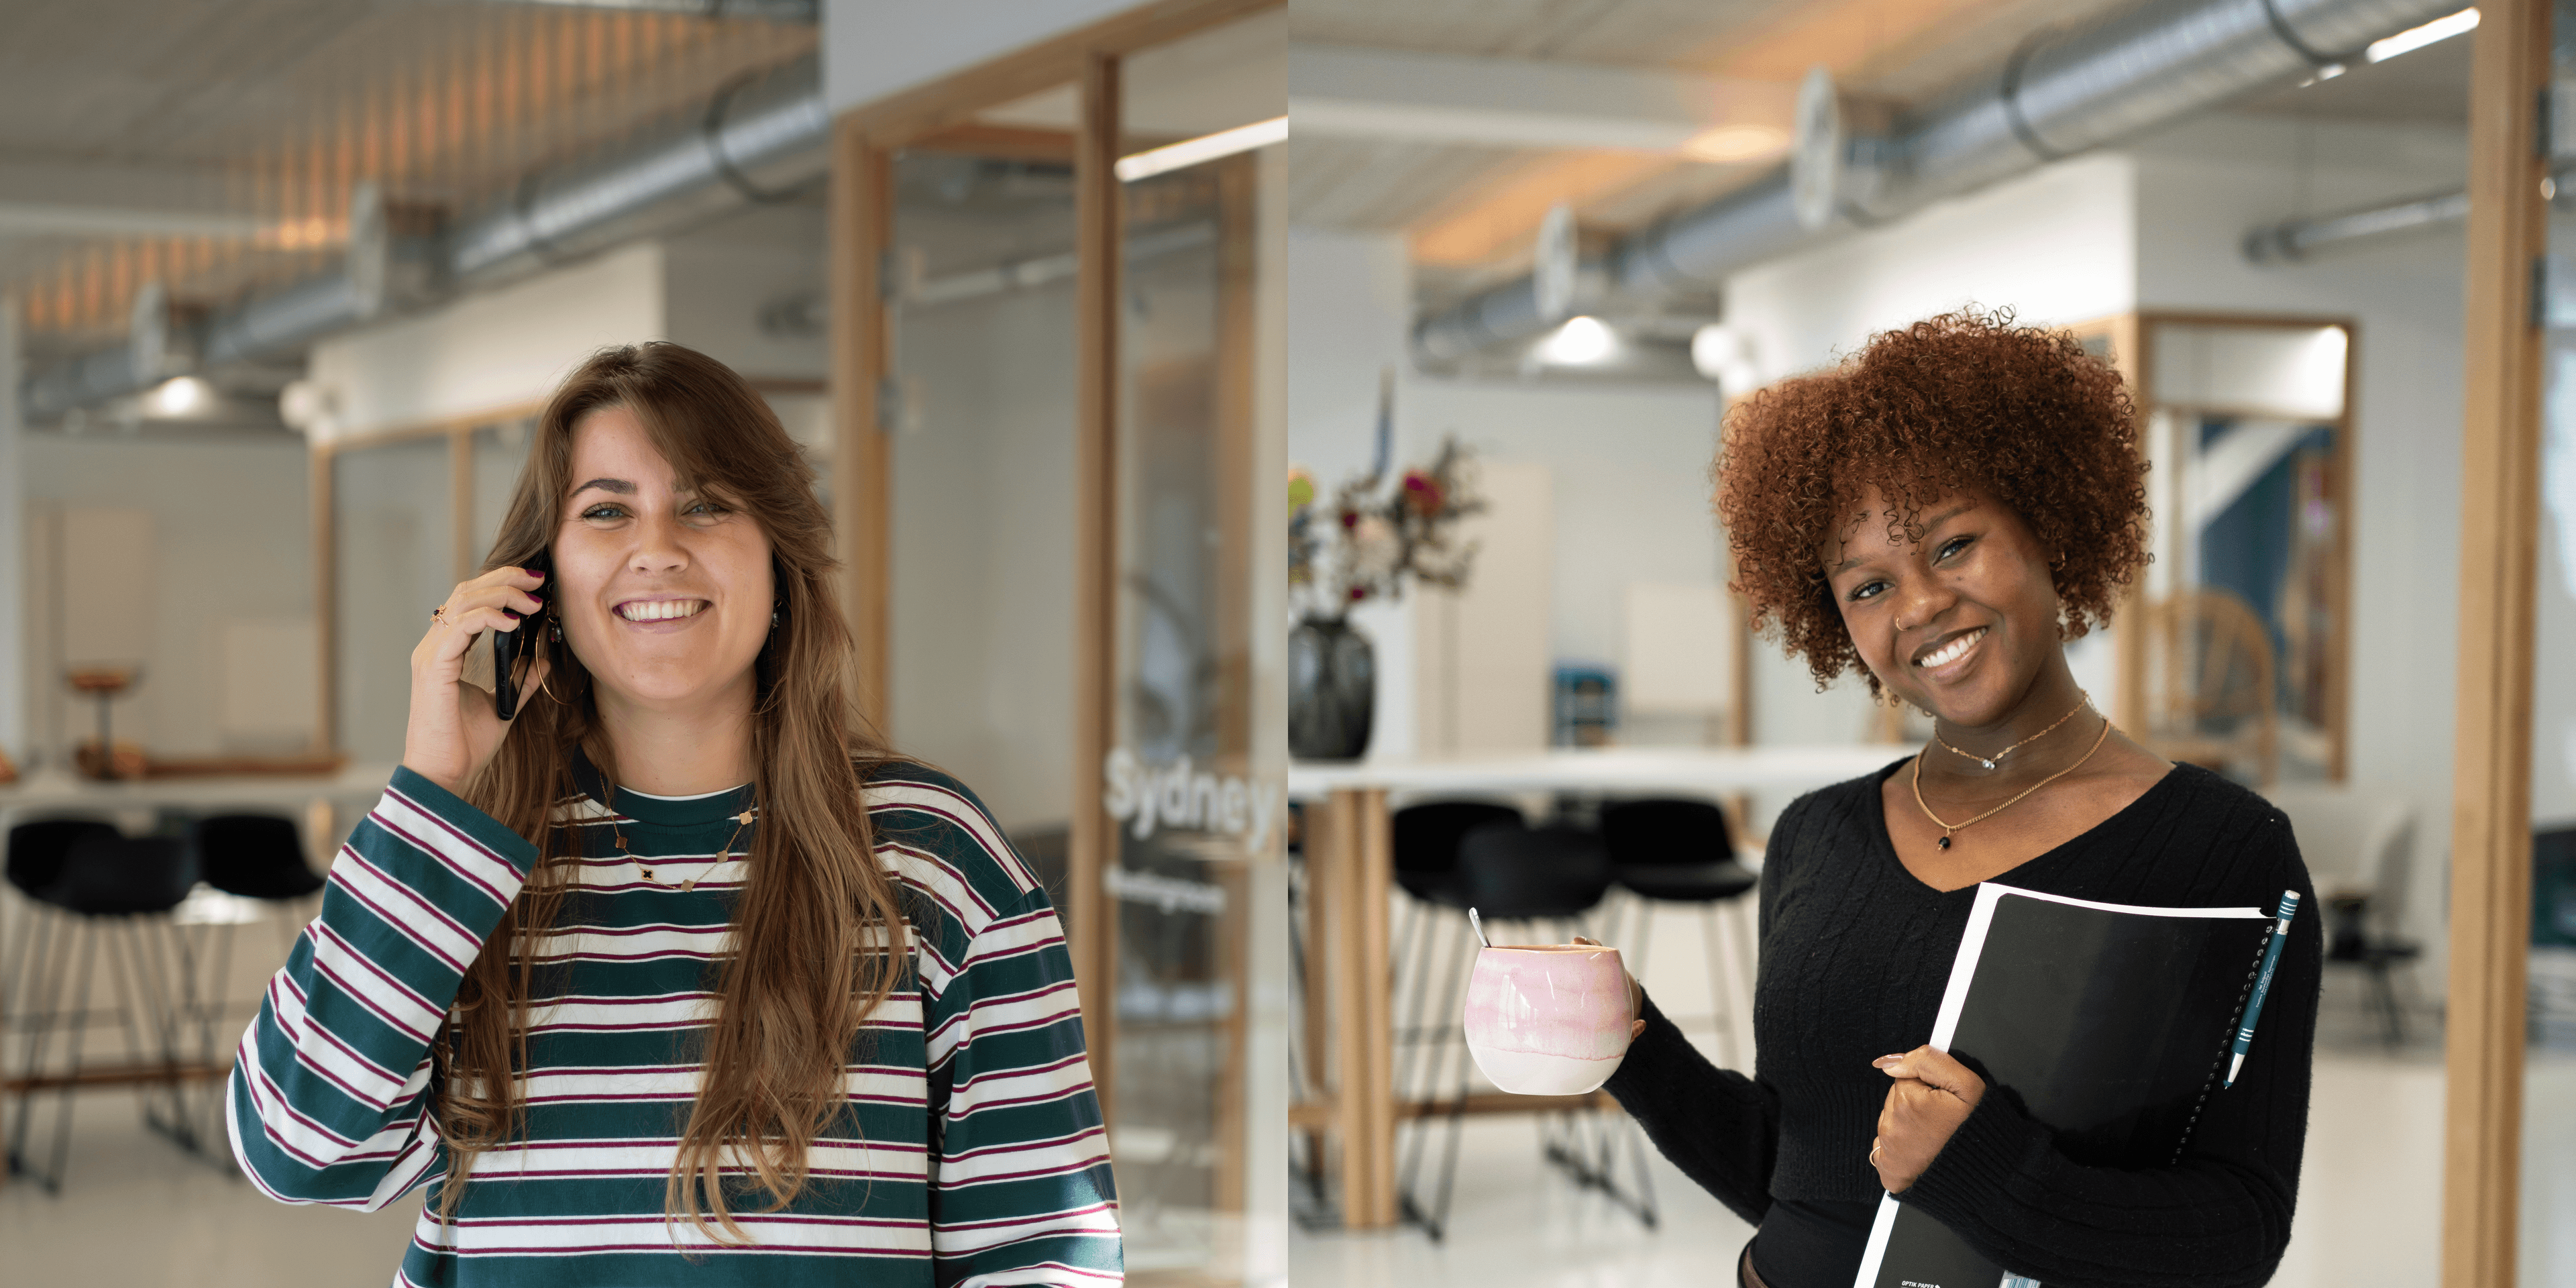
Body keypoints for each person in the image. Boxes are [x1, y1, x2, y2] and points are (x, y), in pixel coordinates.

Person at [227, 342, 1122, 1285]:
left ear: (778, 559)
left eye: (704, 503)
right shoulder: (467, 861)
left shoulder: (930, 852)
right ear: (544, 581)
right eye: (606, 510)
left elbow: (1044, 1247)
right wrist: (432, 798)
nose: (657, 547)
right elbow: (299, 1153)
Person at [1593, 309, 2319, 1288]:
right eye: (1866, 587)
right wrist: (1629, 1041)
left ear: (2048, 526)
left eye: (1951, 546)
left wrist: (1986, 1174)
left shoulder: (2223, 851)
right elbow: (1797, 1175)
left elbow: (2239, 1231)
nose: (1920, 608)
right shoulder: (1818, 837)